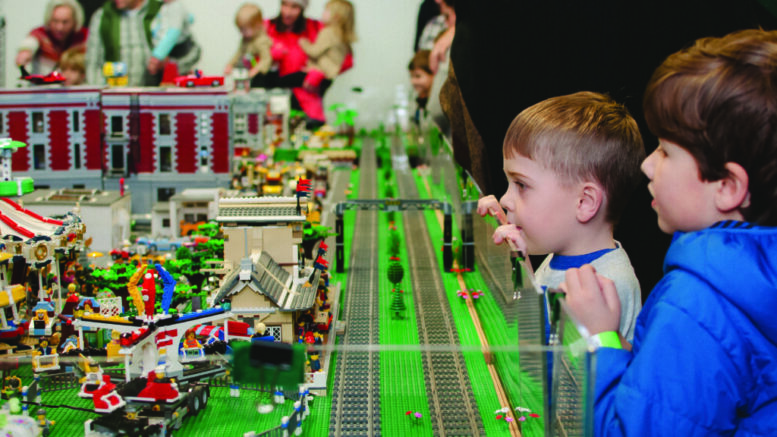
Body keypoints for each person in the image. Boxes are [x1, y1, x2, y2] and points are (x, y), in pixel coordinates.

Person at [561, 29, 777, 435]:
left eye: (665, 150)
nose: (646, 165)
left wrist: (599, 337)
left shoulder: (698, 305)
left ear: (727, 187)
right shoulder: (751, 282)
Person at [477, 91, 644, 342]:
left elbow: (556, 370)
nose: (505, 200)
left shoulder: (606, 285)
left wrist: (521, 275)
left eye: (521, 185)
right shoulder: (561, 258)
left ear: (585, 202)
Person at [265, 0, 353, 125]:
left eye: (294, 7)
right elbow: (249, 60)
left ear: (303, 8)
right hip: (273, 101)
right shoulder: (267, 27)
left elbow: (346, 58)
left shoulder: (317, 27)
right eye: (284, 4)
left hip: (309, 101)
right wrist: (269, 58)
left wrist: (320, 72)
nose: (288, 12)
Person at [85, 0, 162, 86]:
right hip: (115, 93)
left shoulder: (160, 10)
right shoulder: (103, 16)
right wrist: (103, 94)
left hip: (154, 92)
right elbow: (93, 64)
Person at [16, 0, 88, 75]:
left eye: (65, 22)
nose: (59, 28)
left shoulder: (84, 36)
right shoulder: (40, 34)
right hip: (44, 86)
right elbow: (30, 43)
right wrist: (25, 52)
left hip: (76, 86)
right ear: (49, 20)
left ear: (75, 21)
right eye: (55, 21)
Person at [147, 0, 201, 81]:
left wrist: (157, 56)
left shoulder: (176, 7)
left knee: (174, 76)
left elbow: (173, 33)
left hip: (177, 51)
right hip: (167, 51)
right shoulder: (166, 7)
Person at [225, 3, 273, 87]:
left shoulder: (261, 41)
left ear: (257, 26)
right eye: (240, 29)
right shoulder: (245, 39)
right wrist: (230, 64)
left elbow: (266, 59)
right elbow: (239, 53)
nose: (241, 33)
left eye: (244, 30)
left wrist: (256, 70)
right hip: (249, 70)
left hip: (262, 76)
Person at [407, 50, 434, 124]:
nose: (413, 81)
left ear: (433, 75)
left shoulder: (436, 104)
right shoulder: (418, 101)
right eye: (411, 76)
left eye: (418, 76)